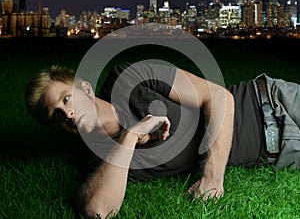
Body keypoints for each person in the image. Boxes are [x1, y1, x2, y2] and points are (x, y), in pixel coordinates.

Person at [25, 62, 300, 218]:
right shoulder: (103, 160)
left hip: (270, 100)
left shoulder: (130, 77)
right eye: (56, 116)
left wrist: (212, 179)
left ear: (85, 88)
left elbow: (219, 97)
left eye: (66, 99)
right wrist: (130, 135)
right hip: (281, 150)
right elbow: (96, 211)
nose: (68, 113)